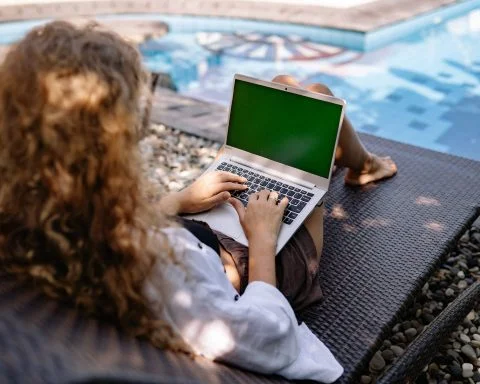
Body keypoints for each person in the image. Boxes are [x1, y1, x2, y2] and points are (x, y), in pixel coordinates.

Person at [0, 21, 396, 383]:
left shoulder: (29, 222)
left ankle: (352, 162)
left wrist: (176, 201)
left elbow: (102, 225)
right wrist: (261, 239)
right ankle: (363, 167)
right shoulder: (157, 269)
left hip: (201, 233)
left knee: (287, 86)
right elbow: (270, 335)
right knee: (318, 102)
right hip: (252, 263)